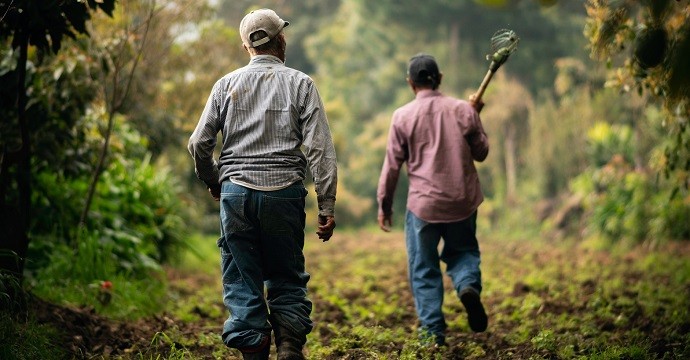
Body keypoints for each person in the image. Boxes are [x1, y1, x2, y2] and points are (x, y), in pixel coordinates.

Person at [187, 8, 337, 360]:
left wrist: (214, 181)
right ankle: (288, 345)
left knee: (242, 277)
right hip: (283, 193)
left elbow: (198, 143)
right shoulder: (301, 84)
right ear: (281, 40)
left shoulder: (226, 85)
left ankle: (254, 349)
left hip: (236, 194)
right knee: (286, 273)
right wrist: (326, 205)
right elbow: (320, 150)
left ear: (246, 48)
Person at [376, 53, 489, 347]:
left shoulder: (402, 116)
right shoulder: (462, 111)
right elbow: (481, 152)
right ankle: (467, 286)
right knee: (463, 251)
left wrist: (384, 205)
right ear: (439, 80)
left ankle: (433, 334)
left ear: (410, 83)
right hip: (461, 202)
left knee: (424, 267)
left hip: (423, 207)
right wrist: (475, 114)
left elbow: (391, 167)